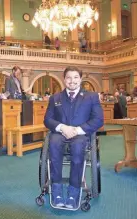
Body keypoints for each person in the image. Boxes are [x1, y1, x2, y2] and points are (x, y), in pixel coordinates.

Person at [44, 66, 104, 208]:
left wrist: (77, 130)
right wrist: (62, 127)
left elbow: (98, 120)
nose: (72, 81)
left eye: (76, 77)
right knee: (53, 142)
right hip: (60, 133)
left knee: (78, 147)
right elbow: (48, 120)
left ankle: (74, 191)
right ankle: (56, 189)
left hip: (81, 134)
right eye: (69, 77)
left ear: (80, 79)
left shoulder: (92, 97)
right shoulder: (55, 98)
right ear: (64, 79)